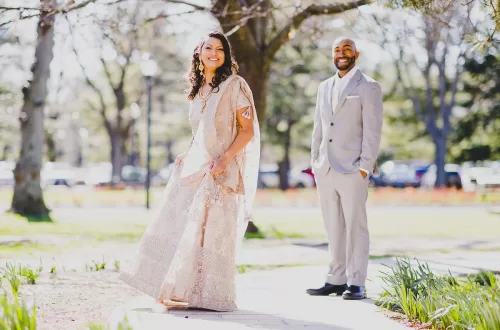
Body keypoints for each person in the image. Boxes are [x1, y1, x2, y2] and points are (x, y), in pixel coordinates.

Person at [120, 31, 260, 312]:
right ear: (199, 53)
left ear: (226, 55)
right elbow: (201, 132)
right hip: (198, 167)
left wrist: (224, 158)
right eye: (209, 48)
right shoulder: (199, 90)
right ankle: (177, 289)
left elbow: (247, 131)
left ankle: (211, 295)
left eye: (220, 49)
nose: (214, 53)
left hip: (223, 169)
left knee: (213, 230)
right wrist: (187, 153)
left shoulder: (236, 86)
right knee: (182, 225)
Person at [307, 37, 383, 300]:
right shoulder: (324, 86)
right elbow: (319, 128)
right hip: (325, 169)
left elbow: (373, 131)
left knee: (355, 226)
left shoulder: (369, 86)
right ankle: (336, 279)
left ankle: (357, 282)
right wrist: (315, 162)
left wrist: (364, 167)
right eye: (337, 49)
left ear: (356, 54)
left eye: (346, 49)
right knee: (333, 226)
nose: (341, 53)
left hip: (353, 169)